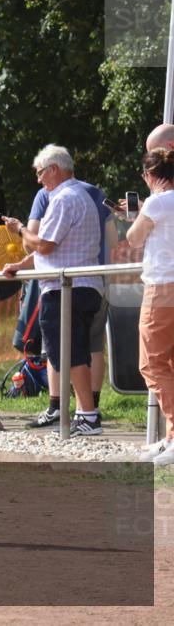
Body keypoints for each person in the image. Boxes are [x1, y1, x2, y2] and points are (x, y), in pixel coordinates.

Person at [2, 145, 103, 436]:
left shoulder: (62, 199)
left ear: (54, 169)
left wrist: (20, 229)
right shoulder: (78, 196)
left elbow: (45, 244)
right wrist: (21, 264)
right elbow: (52, 248)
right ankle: (86, 414)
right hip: (77, 285)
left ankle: (88, 416)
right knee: (74, 354)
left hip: (64, 288)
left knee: (69, 355)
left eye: (40, 173)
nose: (38, 180)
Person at [129, 149, 174, 465]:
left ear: (150, 175)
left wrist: (136, 216)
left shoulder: (158, 202)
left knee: (152, 363)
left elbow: (133, 239)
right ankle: (170, 435)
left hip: (161, 288)